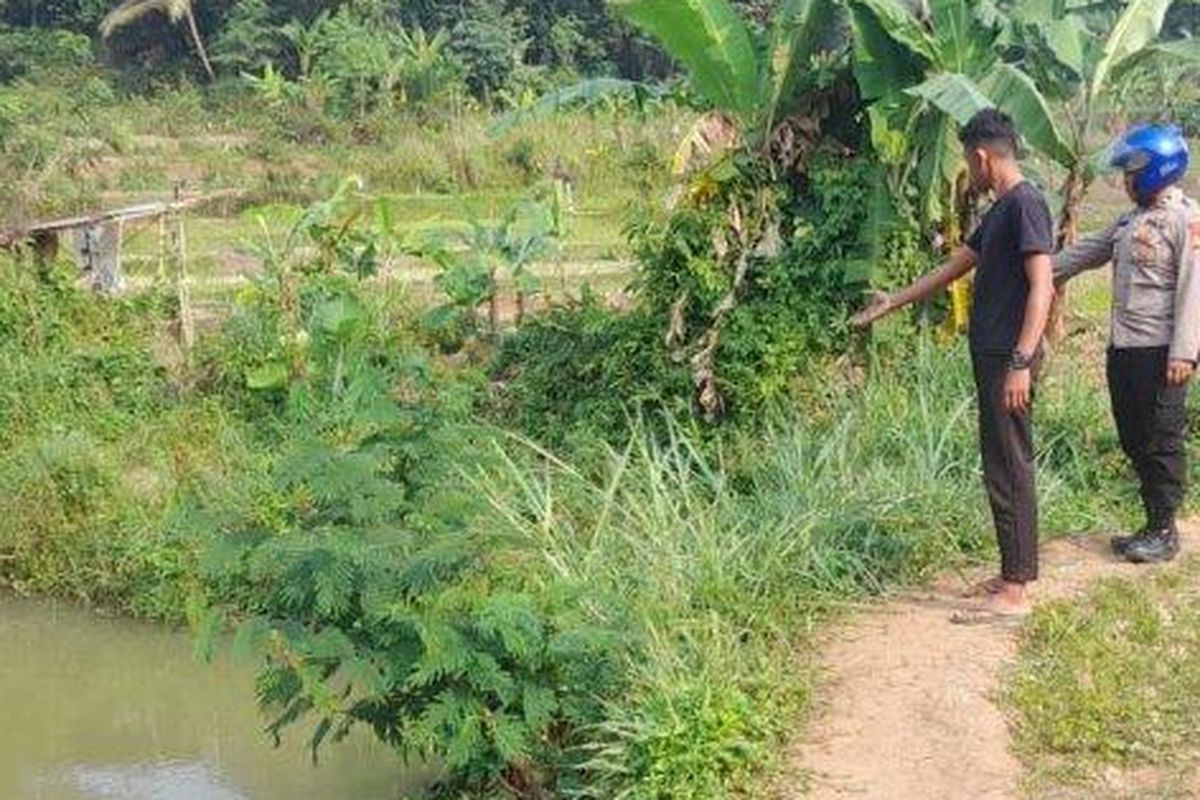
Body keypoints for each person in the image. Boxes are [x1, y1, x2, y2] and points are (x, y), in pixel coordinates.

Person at [852, 108, 1055, 618]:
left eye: (969, 159)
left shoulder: (1026, 205)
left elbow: (1043, 287)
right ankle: (1012, 573)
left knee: (1011, 466)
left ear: (983, 157)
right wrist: (893, 301)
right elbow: (953, 268)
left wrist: (1021, 361)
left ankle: (1016, 592)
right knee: (999, 464)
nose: (969, 168)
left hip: (1008, 359)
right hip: (992, 358)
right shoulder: (1002, 211)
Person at [1053, 124, 1198, 564]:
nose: (1126, 181)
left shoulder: (1186, 220)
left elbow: (1195, 290)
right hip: (1125, 348)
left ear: (1158, 169)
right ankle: (1151, 522)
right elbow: (1084, 254)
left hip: (1161, 351)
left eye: (1132, 172)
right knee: (1134, 435)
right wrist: (1036, 273)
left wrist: (1184, 352)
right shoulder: (1129, 220)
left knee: (1160, 438)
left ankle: (1164, 530)